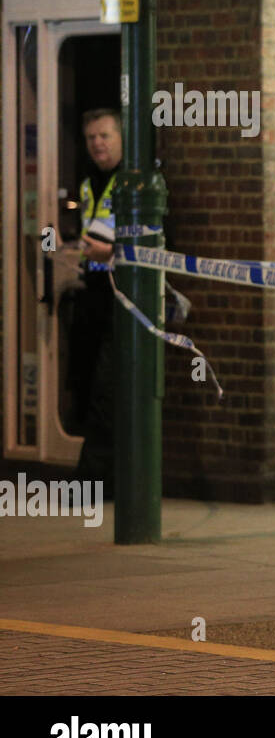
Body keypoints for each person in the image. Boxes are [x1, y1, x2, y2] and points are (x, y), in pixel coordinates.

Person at [69, 107, 123, 496]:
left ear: (121, 137)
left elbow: (152, 244)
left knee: (107, 390)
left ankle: (93, 482)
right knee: (90, 386)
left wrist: (112, 254)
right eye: (91, 138)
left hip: (122, 299)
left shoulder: (133, 183)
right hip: (94, 295)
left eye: (104, 135)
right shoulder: (89, 183)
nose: (97, 144)